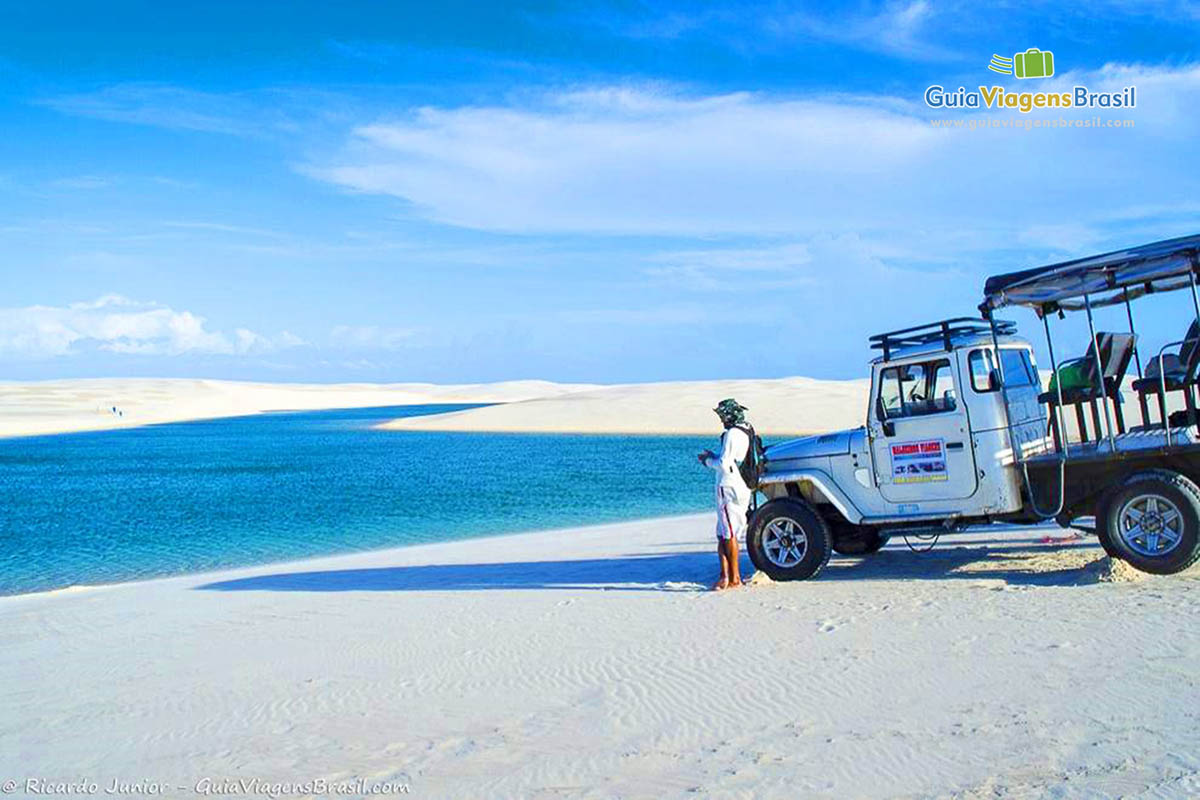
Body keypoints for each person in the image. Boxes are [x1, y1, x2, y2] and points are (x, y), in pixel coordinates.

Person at [697, 398, 753, 590]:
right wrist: (715, 456)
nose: (721, 420)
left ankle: (733, 578)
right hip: (743, 486)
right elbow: (734, 459)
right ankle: (725, 575)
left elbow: (724, 464)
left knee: (728, 533)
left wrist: (707, 461)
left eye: (722, 416)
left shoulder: (732, 434)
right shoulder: (747, 429)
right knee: (726, 531)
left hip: (728, 486)